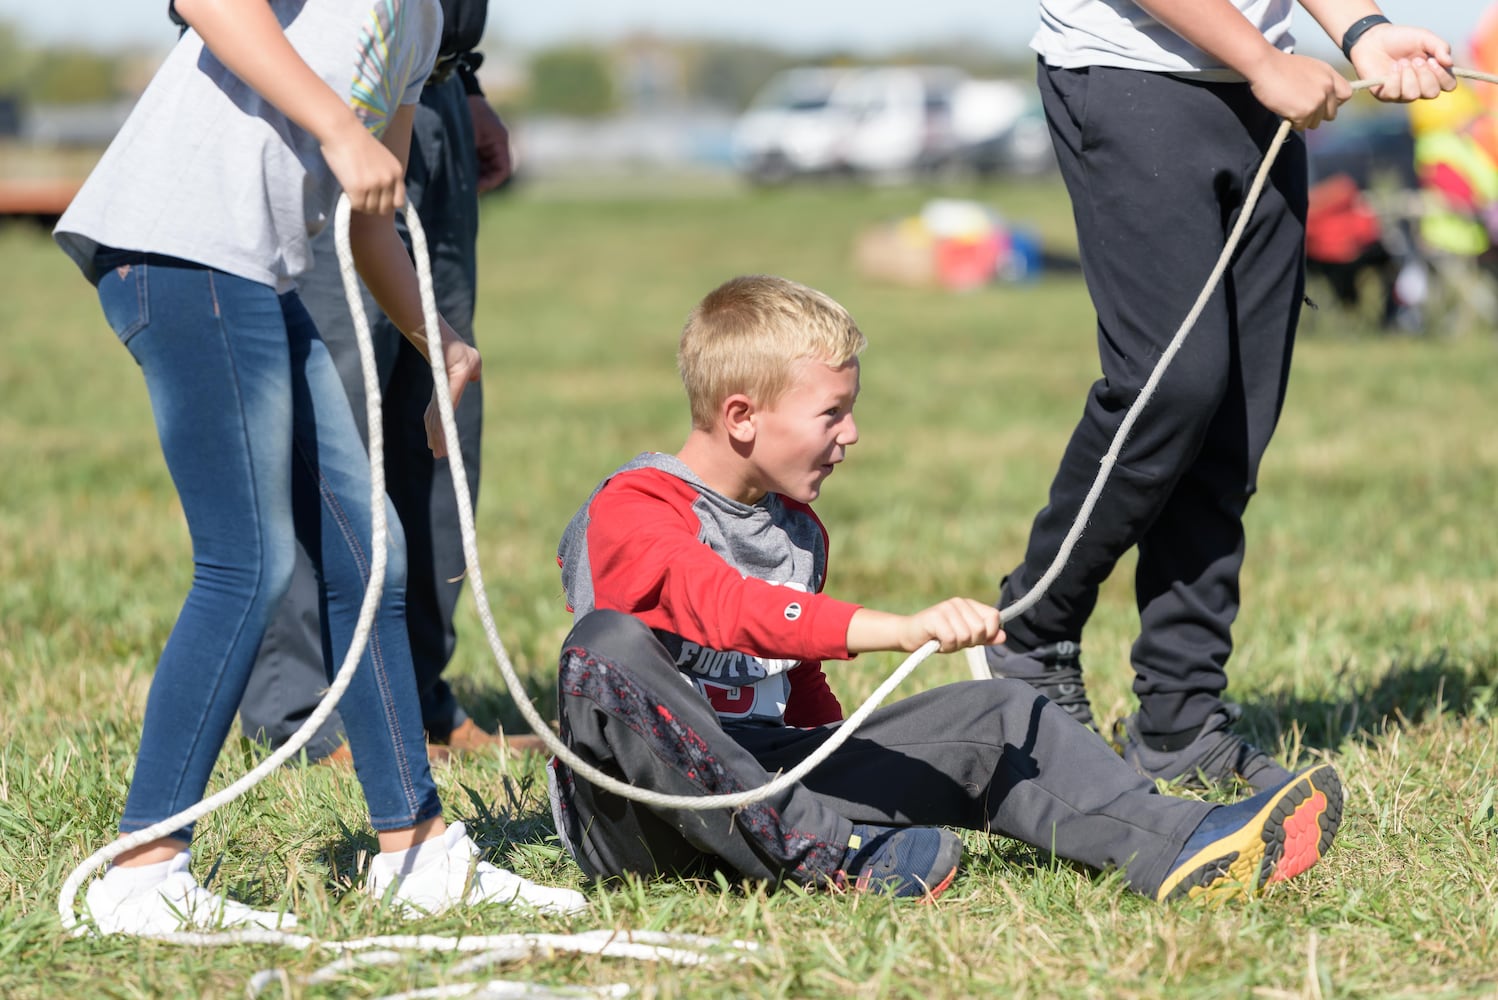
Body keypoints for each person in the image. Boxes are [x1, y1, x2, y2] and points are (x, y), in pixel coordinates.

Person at [544, 274, 1343, 902]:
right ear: (743, 416)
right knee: (603, 648)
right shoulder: (635, 506)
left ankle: (1186, 842)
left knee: (998, 712)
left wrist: (854, 761)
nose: (851, 434)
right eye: (832, 413)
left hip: (768, 780)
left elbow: (801, 691)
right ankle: (831, 856)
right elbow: (722, 606)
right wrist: (894, 627)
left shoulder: (796, 529)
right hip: (644, 828)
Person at [53, 0, 584, 935]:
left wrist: (440, 341)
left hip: (265, 272)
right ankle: (140, 871)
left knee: (369, 552)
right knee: (249, 564)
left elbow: (363, 214)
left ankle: (414, 851)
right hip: (180, 250)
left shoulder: (423, 29)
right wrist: (339, 127)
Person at [985, 1, 1456, 790]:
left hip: (1260, 98)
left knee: (1238, 415)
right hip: (1135, 78)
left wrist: (1363, 31)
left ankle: (1180, 719)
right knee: (1170, 386)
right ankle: (1032, 631)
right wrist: (1266, 62)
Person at [228, 0, 543, 764]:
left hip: (426, 91)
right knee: (335, 419)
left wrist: (460, 84)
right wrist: (333, 120)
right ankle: (303, 708)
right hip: (328, 93)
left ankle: (416, 692)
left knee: (436, 416)